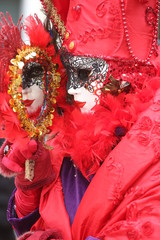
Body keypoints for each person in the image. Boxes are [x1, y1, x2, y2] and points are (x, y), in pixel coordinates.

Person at [1, 0, 160, 239]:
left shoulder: (153, 150)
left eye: (84, 74)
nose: (73, 90)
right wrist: (29, 188)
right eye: (71, 74)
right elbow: (31, 223)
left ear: (123, 78)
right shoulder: (62, 147)